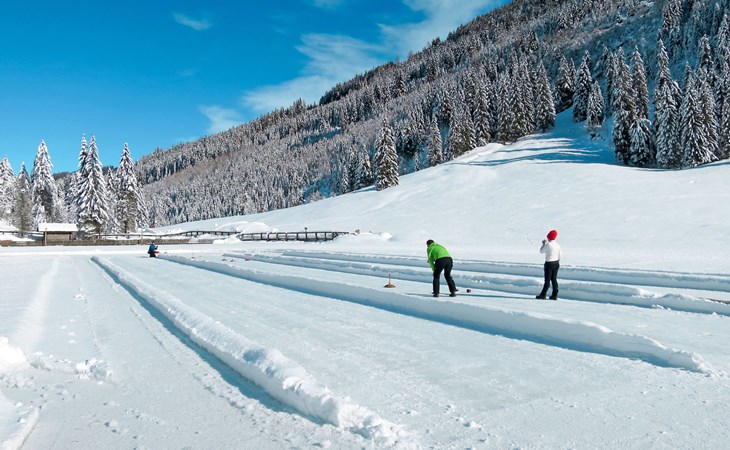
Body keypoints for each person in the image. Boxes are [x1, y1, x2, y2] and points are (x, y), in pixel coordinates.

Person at [536, 230, 561, 300]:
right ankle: (555, 295)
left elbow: (541, 251)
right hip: (556, 263)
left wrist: (543, 244)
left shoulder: (548, 245)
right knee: (554, 280)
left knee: (547, 280)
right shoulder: (558, 245)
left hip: (549, 264)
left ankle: (543, 295)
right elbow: (560, 256)